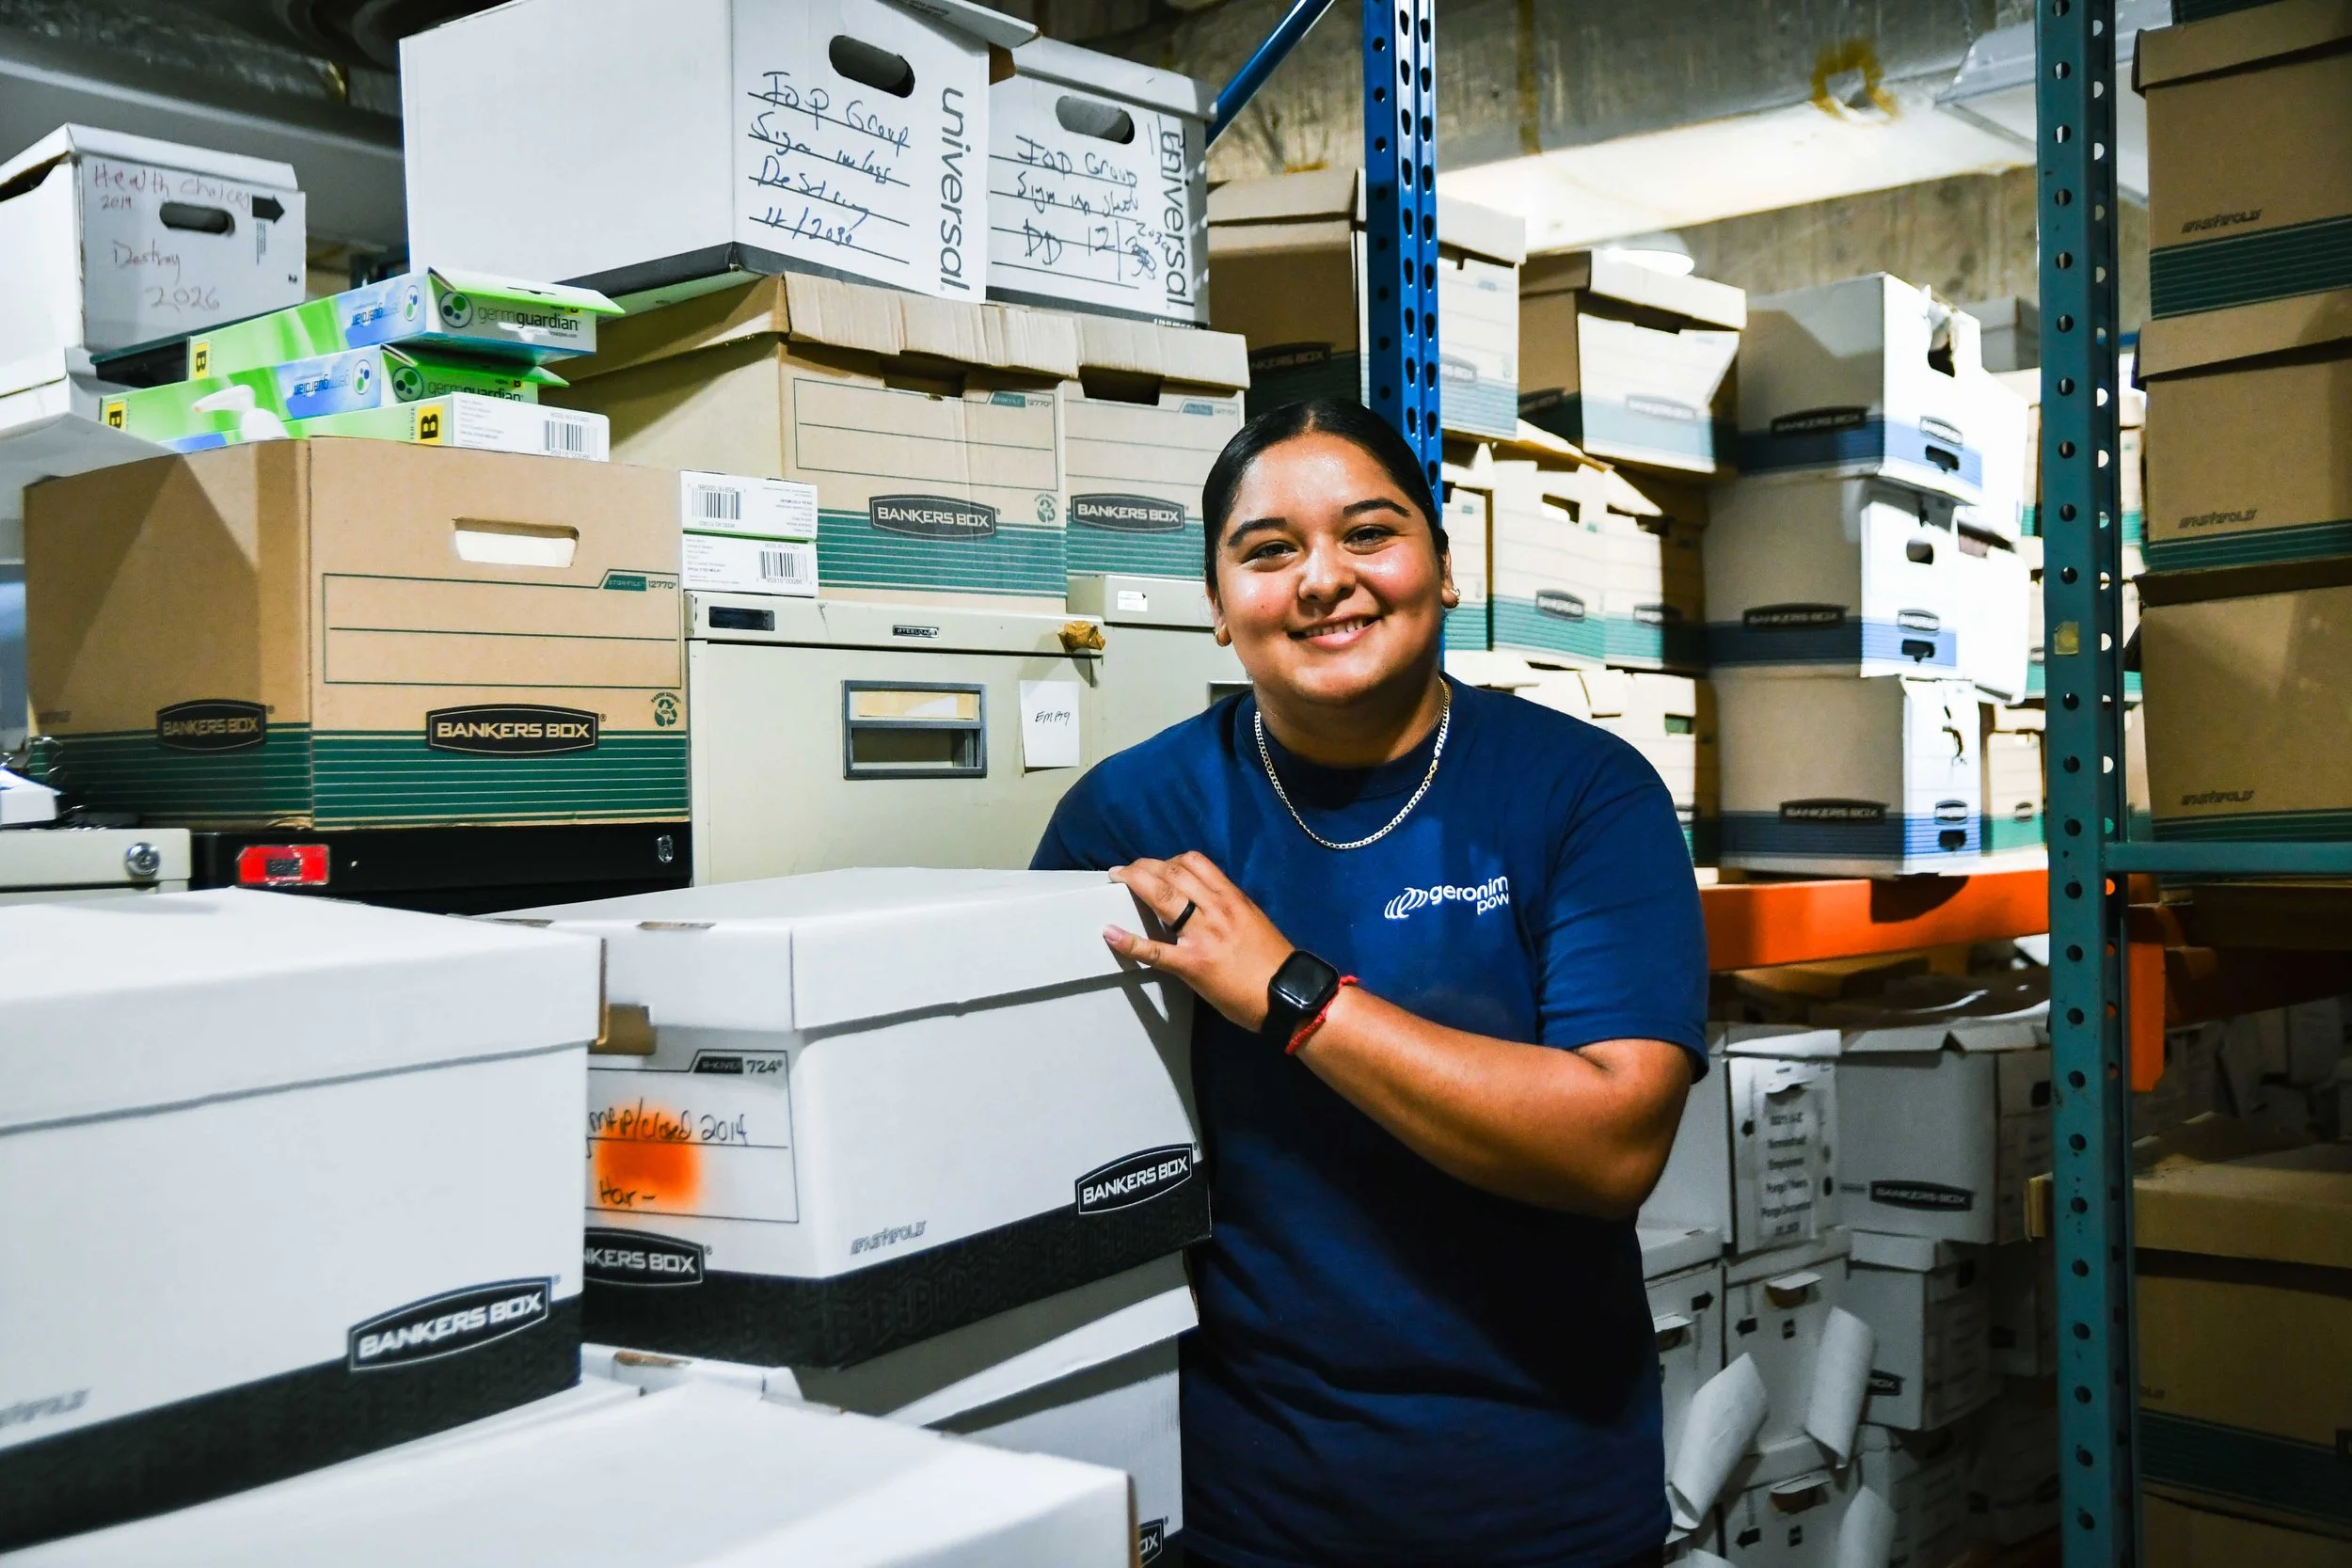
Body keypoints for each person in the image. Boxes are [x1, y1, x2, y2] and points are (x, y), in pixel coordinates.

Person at [1032, 396, 1709, 1568]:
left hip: (1540, 1499)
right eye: (1268, 549)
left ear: (1444, 570)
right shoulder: (1127, 816)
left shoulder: (1584, 795)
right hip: (1248, 1507)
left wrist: (1293, 992)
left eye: (1367, 533)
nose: (1321, 579)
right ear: (1215, 608)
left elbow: (1611, 1141)